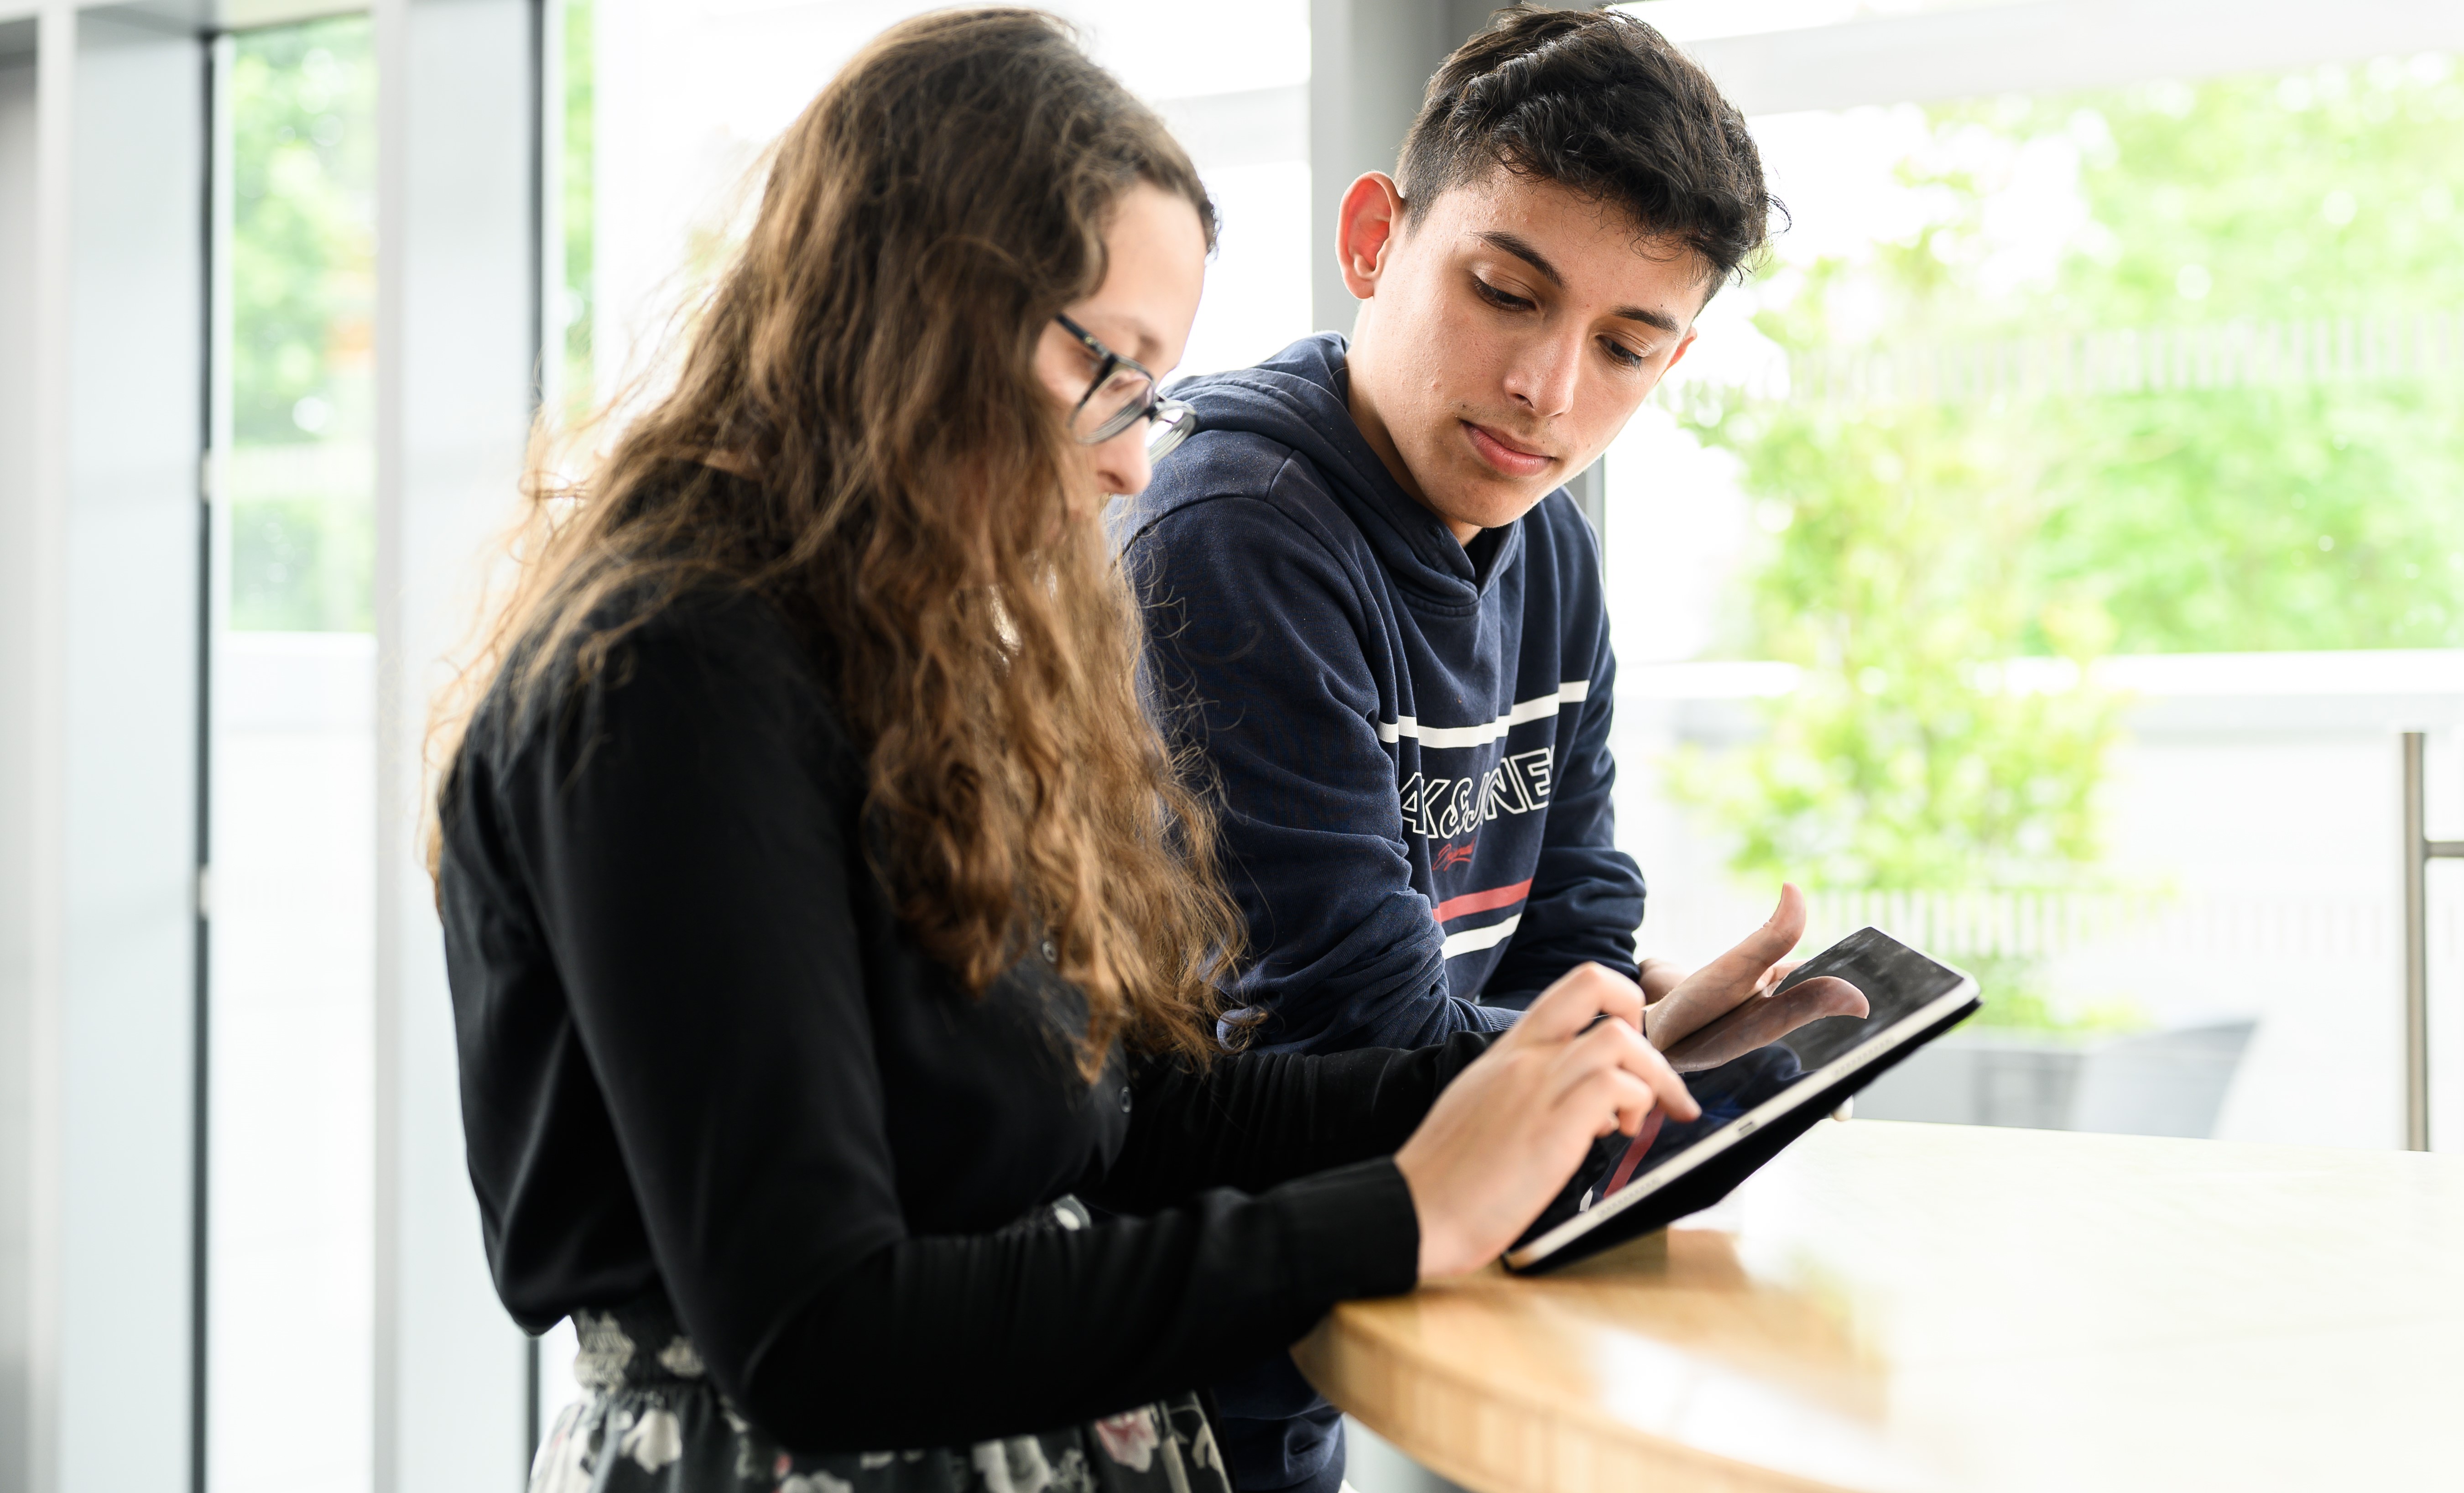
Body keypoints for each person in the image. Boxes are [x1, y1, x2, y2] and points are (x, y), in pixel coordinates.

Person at [429, 10, 1852, 1493]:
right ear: (904, 302)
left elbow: (1123, 1120)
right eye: (1107, 368)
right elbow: (815, 1330)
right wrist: (1408, 1206)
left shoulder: (894, 655)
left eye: (1147, 387)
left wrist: (1566, 1070)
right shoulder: (667, 677)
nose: (1130, 456)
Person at [1110, 8, 1813, 1489]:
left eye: (1624, 347)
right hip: (1158, 1343)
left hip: (1347, 1300)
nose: (1547, 392)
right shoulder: (1233, 530)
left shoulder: (1541, 542)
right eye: (1504, 293)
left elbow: (1576, 928)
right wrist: (1603, 1055)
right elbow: (1344, 1031)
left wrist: (1634, 1032)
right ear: (1376, 238)